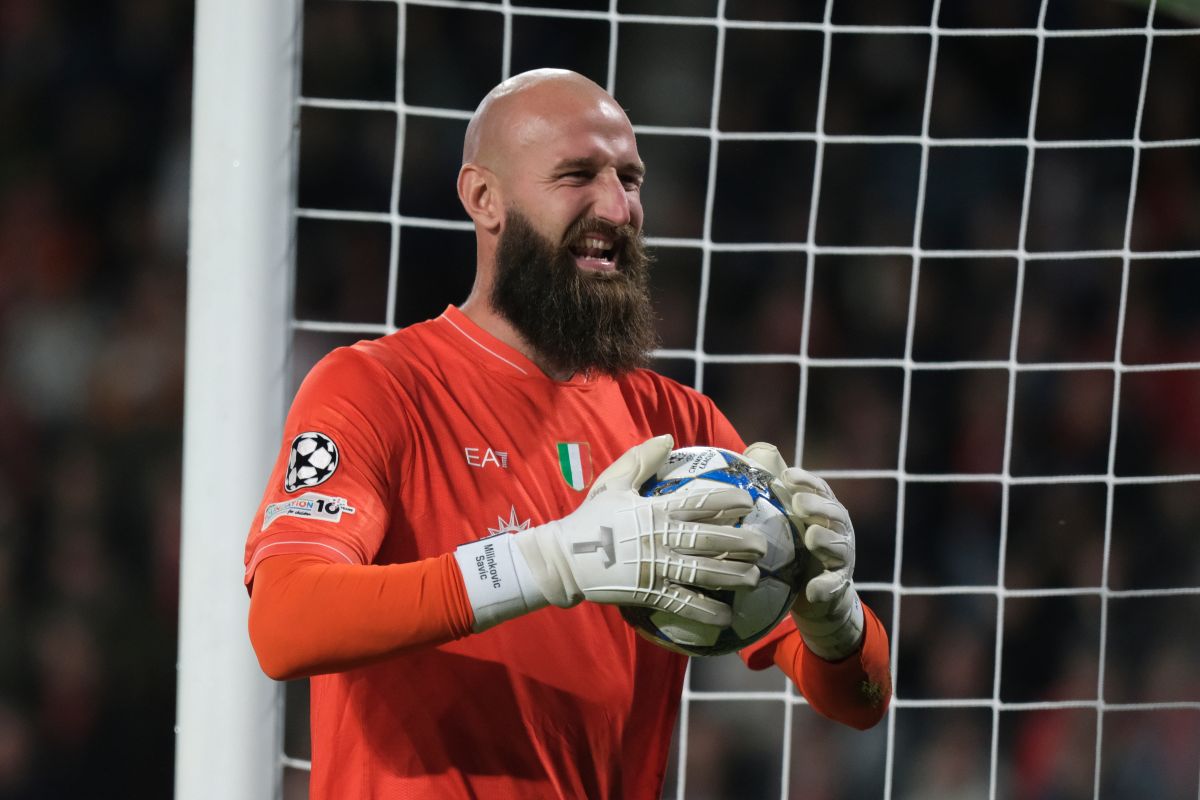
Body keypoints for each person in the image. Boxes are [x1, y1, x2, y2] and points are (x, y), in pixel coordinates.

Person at [244, 68, 891, 799]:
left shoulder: (680, 429)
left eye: (631, 179)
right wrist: (547, 562)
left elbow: (860, 703)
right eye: (578, 175)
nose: (617, 207)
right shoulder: (375, 388)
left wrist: (835, 624)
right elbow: (285, 623)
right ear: (484, 198)